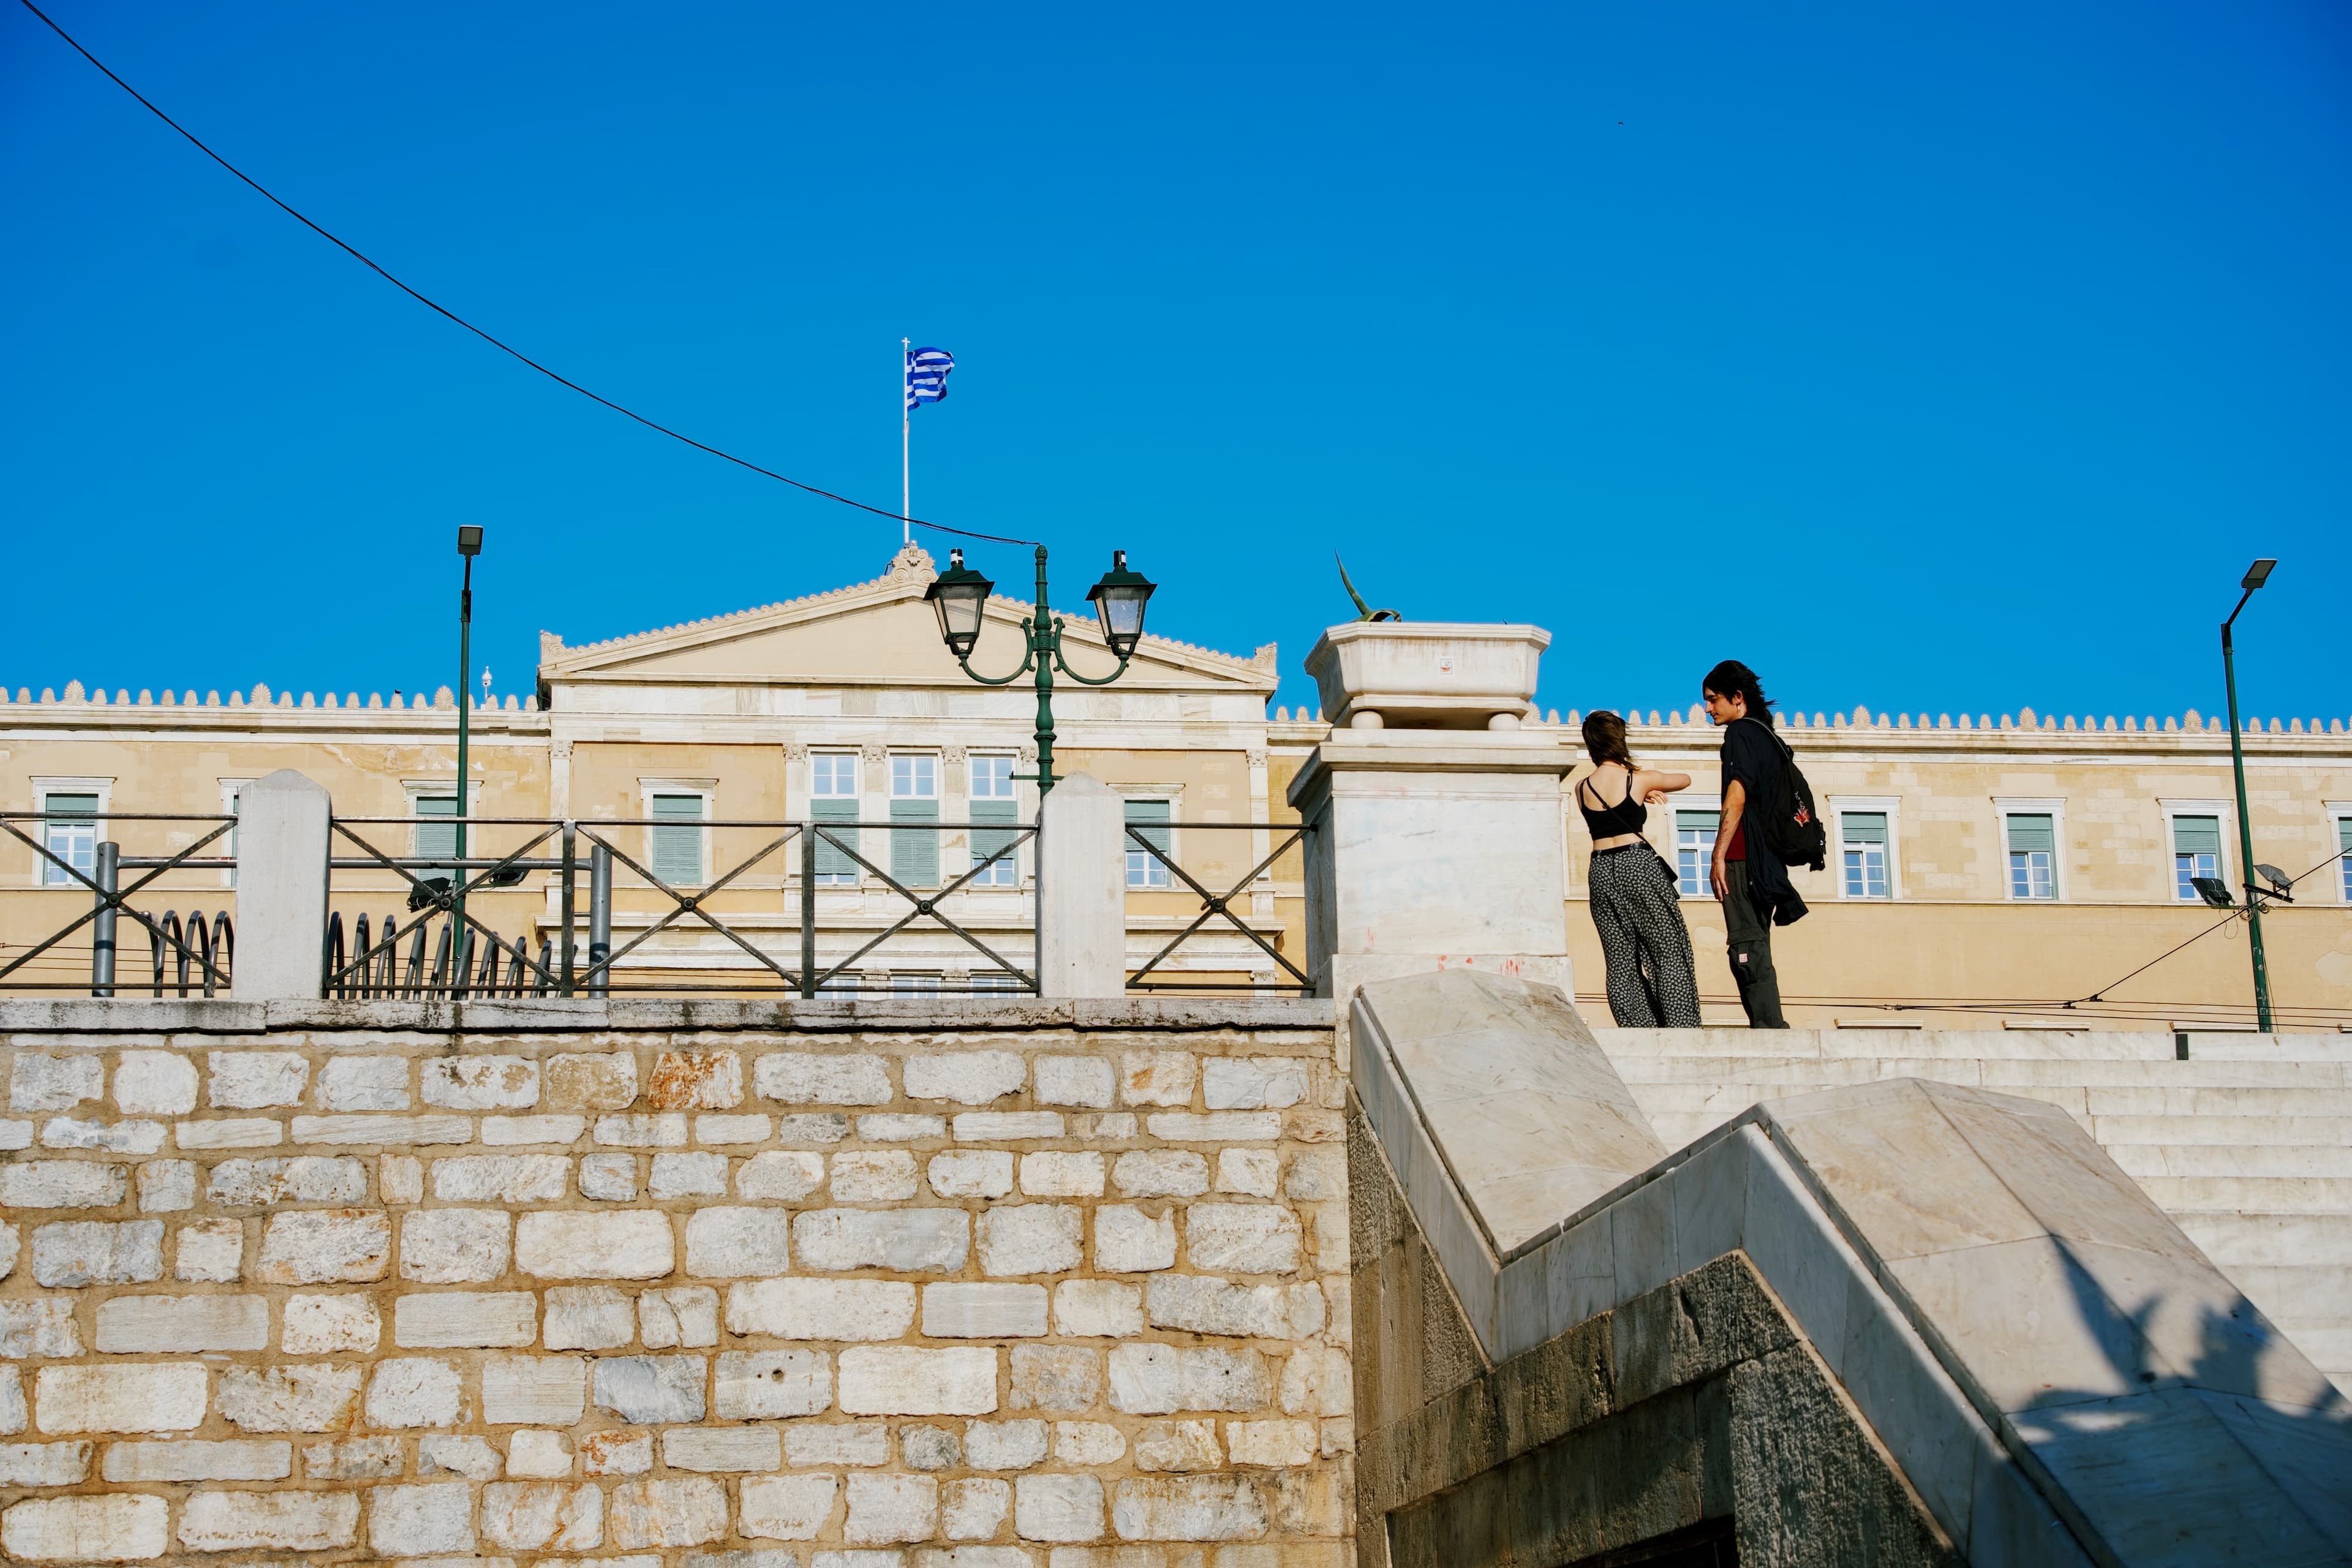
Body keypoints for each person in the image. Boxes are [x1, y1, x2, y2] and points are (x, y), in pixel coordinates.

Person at [1575, 710, 1704, 1027]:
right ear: (1620, 739)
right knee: (1667, 948)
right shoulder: (1637, 779)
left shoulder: (1581, 789)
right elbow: (1685, 780)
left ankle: (1639, 1028)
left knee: (1620, 959)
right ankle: (1681, 1028)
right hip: (1637, 864)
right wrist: (1643, 786)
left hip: (1601, 870)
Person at [1702, 660, 1806, 1028]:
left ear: (1738, 698)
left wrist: (1719, 854)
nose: (1708, 708)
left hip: (1744, 856)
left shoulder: (1740, 735)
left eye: (1714, 700)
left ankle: (1770, 1029)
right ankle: (1768, 1024)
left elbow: (1737, 795)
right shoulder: (1769, 737)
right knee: (1755, 940)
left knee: (1746, 945)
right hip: (1767, 860)